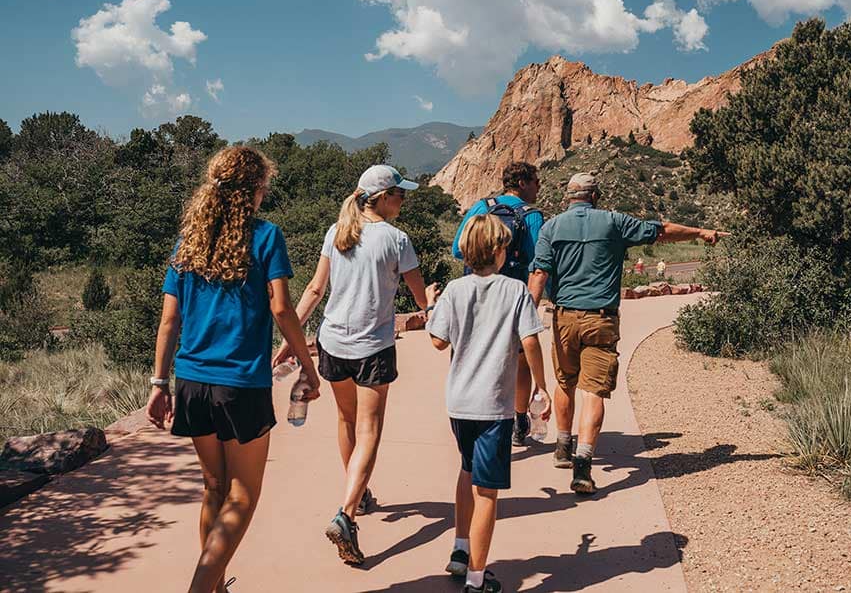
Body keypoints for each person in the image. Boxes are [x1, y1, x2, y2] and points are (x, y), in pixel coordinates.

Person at [146, 146, 321, 593]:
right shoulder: (266, 236)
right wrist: (307, 365)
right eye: (264, 186)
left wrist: (159, 383)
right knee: (243, 494)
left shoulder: (189, 241)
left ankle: (217, 587)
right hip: (240, 383)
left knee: (214, 488)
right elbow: (281, 308)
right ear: (254, 189)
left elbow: (169, 319)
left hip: (191, 381)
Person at [271, 164, 438, 566]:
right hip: (372, 347)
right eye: (399, 194)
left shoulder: (337, 231)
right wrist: (432, 301)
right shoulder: (397, 240)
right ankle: (346, 514)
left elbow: (315, 289)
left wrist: (290, 338)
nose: (403, 200)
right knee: (369, 430)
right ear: (381, 198)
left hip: (333, 343)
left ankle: (358, 494)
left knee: (346, 421)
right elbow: (420, 298)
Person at [527, 173, 728, 494]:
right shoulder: (614, 222)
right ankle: (582, 465)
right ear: (595, 196)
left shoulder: (551, 228)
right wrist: (701, 232)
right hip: (601, 318)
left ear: (568, 198)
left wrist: (526, 319)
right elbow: (661, 231)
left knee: (565, 382)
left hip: (564, 318)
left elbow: (539, 273)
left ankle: (563, 448)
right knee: (593, 391)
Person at [428, 214, 551, 593]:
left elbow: (437, 341)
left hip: (459, 401)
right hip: (493, 406)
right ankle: (476, 579)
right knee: (487, 493)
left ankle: (460, 548)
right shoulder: (514, 291)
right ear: (499, 251)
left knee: (466, 470)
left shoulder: (454, 289)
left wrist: (432, 305)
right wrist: (540, 386)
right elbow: (529, 341)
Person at [451, 162, 544, 447]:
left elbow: (457, 250)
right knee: (520, 361)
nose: (539, 187)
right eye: (536, 181)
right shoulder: (532, 216)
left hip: (475, 298)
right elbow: (538, 262)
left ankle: (474, 416)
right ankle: (519, 419)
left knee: (475, 354)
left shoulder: (482, 207)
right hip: (511, 297)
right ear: (523, 182)